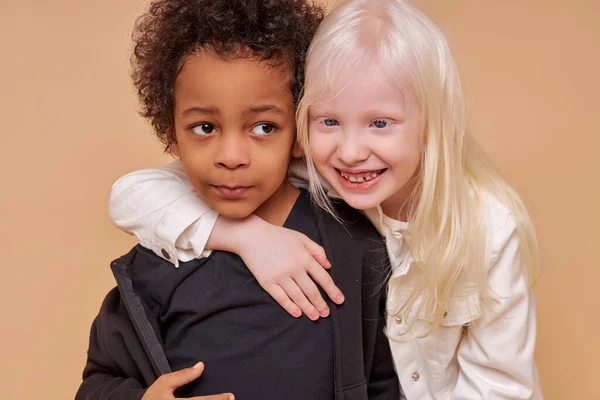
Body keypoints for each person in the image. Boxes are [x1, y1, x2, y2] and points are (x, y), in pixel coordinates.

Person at [110, 0, 543, 398]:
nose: (351, 151)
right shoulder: (312, 170)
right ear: (303, 123)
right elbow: (132, 195)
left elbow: (501, 386)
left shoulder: (487, 227)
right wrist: (246, 236)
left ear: (433, 122)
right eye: (329, 120)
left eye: (380, 123)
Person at [76, 0, 400, 399]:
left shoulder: (355, 242)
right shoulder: (160, 256)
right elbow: (99, 382)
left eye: (264, 126)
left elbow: (385, 379)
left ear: (300, 130)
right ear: (171, 132)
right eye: (205, 126)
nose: (231, 156)